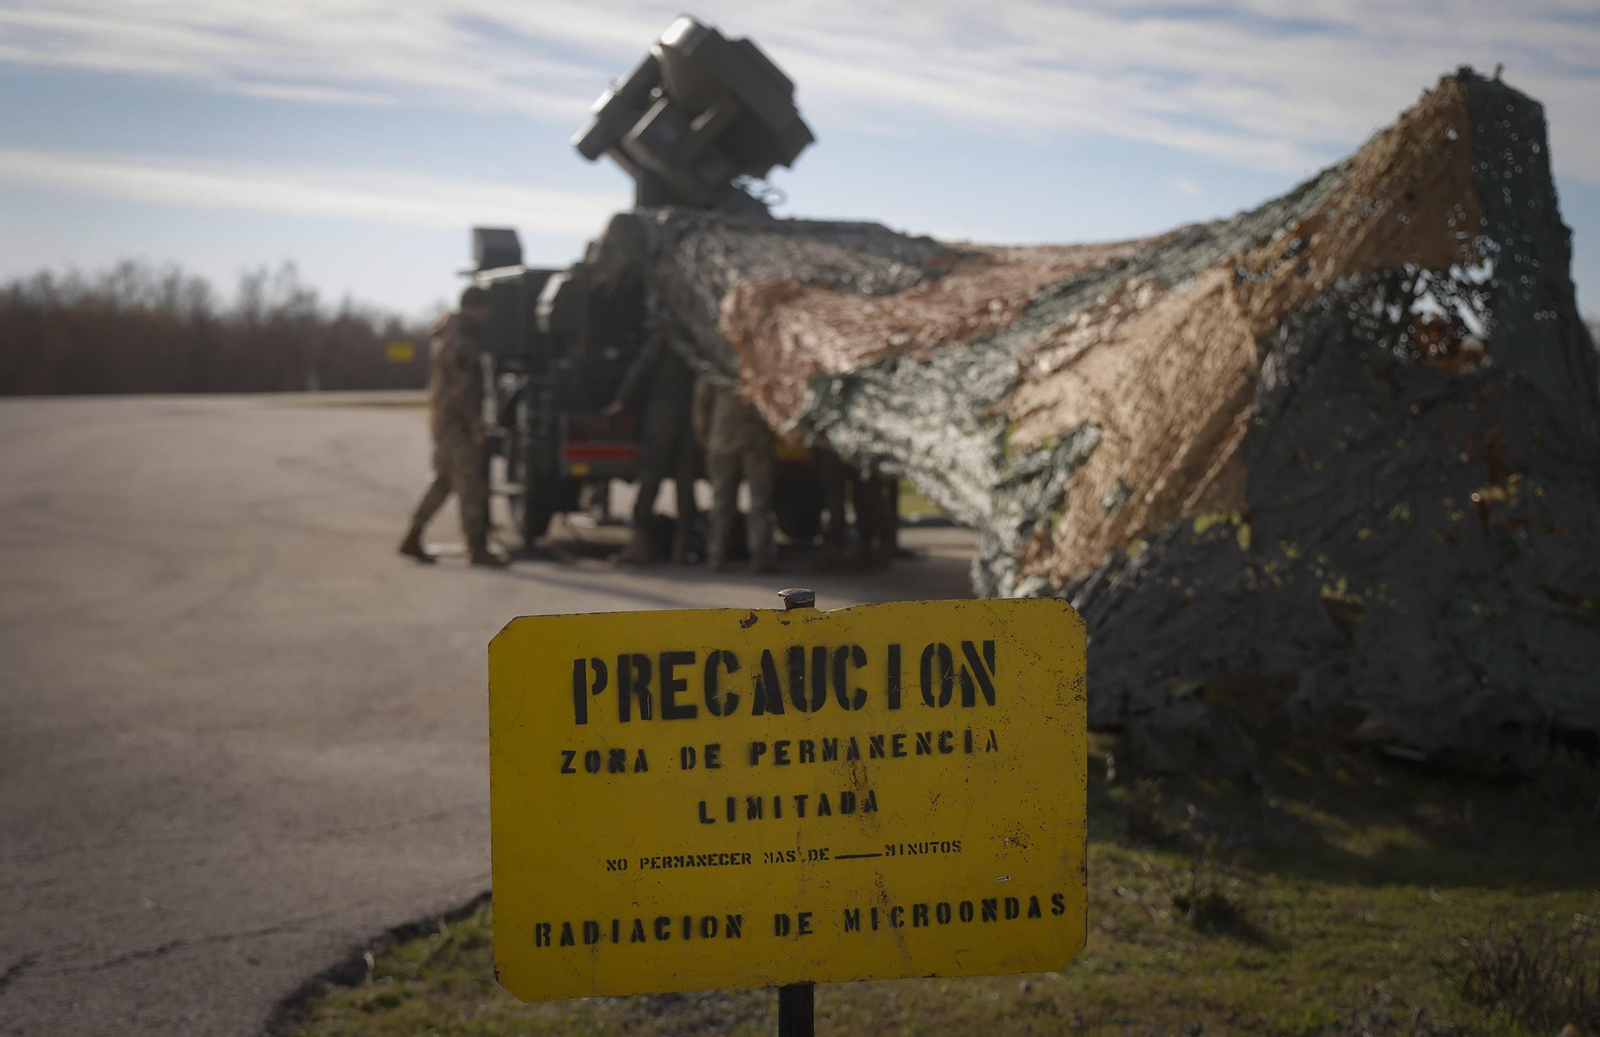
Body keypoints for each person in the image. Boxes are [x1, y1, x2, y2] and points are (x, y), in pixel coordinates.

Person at [398, 285, 507, 567]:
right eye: (485, 308)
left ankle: (413, 535)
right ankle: (477, 547)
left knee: (444, 480)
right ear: (476, 308)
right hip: (457, 424)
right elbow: (462, 390)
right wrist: (474, 425)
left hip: (445, 420)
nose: (488, 314)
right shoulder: (462, 340)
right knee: (470, 483)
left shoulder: (450, 332)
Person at [606, 336, 699, 564]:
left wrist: (622, 401)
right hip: (689, 422)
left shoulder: (663, 340)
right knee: (685, 482)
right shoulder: (697, 338)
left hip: (662, 420)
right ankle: (682, 547)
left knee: (651, 478)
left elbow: (641, 370)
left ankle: (640, 546)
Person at [692, 376, 776, 573]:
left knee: (722, 502)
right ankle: (759, 558)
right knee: (759, 501)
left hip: (722, 441)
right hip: (755, 441)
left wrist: (706, 440)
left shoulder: (716, 366)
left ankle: (716, 557)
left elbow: (700, 407)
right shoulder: (759, 360)